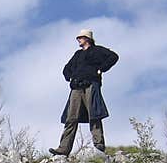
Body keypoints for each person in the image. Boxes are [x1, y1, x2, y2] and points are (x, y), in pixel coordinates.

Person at [50, 28, 118, 156]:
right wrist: (70, 76)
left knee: (94, 114)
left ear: (87, 38)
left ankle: (99, 145)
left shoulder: (98, 50)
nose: (78, 40)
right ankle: (63, 148)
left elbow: (113, 57)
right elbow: (66, 68)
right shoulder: (77, 54)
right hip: (76, 87)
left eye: (80, 37)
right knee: (71, 117)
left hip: (91, 84)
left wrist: (101, 69)